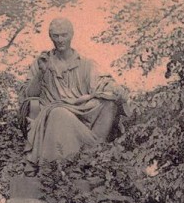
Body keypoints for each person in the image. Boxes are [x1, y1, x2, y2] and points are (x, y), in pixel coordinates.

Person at [19, 18, 127, 170]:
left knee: (109, 102)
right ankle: (55, 168)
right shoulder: (42, 62)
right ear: (50, 37)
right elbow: (29, 96)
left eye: (64, 35)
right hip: (53, 110)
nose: (60, 40)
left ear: (72, 35)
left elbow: (103, 83)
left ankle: (94, 153)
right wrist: (41, 73)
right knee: (59, 113)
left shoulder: (86, 64)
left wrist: (113, 89)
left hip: (81, 114)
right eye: (56, 36)